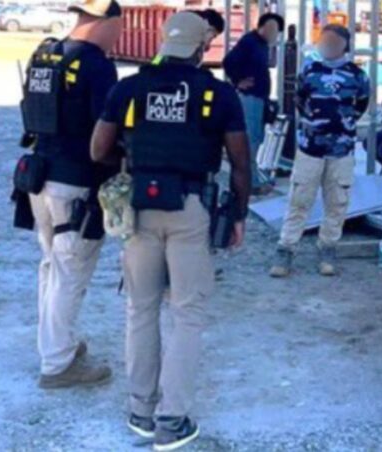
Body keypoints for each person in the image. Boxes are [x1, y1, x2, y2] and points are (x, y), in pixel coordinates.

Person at [91, 11, 250, 450]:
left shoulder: (129, 88)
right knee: (188, 313)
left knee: (140, 309)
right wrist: (238, 216)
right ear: (201, 48)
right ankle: (172, 418)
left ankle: (141, 410)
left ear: (163, 42)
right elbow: (241, 163)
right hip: (191, 209)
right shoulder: (218, 94)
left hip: (139, 208)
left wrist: (133, 165)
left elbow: (97, 149)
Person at [21, 0, 123, 389]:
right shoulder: (96, 64)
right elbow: (107, 128)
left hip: (40, 175)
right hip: (75, 182)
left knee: (52, 266)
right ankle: (57, 364)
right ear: (106, 22)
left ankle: (56, 344)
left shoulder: (46, 54)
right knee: (70, 270)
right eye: (119, 27)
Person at [268, 24, 369, 278]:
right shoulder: (310, 70)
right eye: (325, 41)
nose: (328, 46)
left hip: (342, 149)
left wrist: (342, 126)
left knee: (337, 202)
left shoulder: (358, 75)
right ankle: (286, 249)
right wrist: (314, 124)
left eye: (334, 41)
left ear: (345, 45)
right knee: (299, 199)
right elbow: (299, 100)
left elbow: (361, 105)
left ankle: (328, 248)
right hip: (310, 148)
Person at [223, 12, 283, 195]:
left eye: (276, 30)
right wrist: (238, 81)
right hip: (249, 98)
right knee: (250, 141)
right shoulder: (250, 41)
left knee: (255, 138)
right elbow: (228, 61)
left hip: (258, 98)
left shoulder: (262, 44)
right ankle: (251, 184)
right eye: (270, 28)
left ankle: (251, 181)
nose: (273, 33)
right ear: (261, 26)